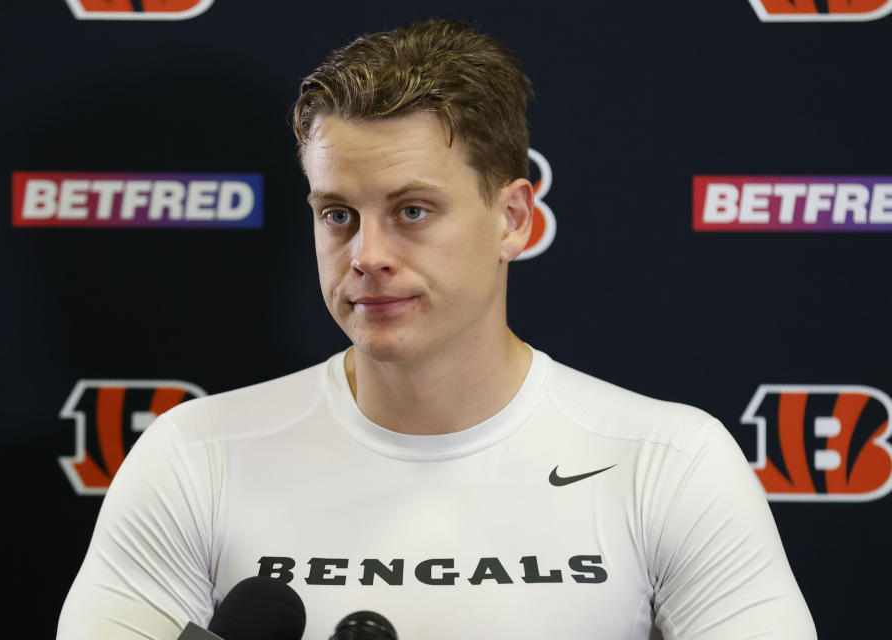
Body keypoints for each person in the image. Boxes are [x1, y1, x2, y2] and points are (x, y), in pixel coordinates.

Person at [57, 19, 816, 639]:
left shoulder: (667, 462)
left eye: (412, 211)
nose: (368, 257)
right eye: (338, 216)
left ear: (512, 218)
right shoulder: (195, 457)